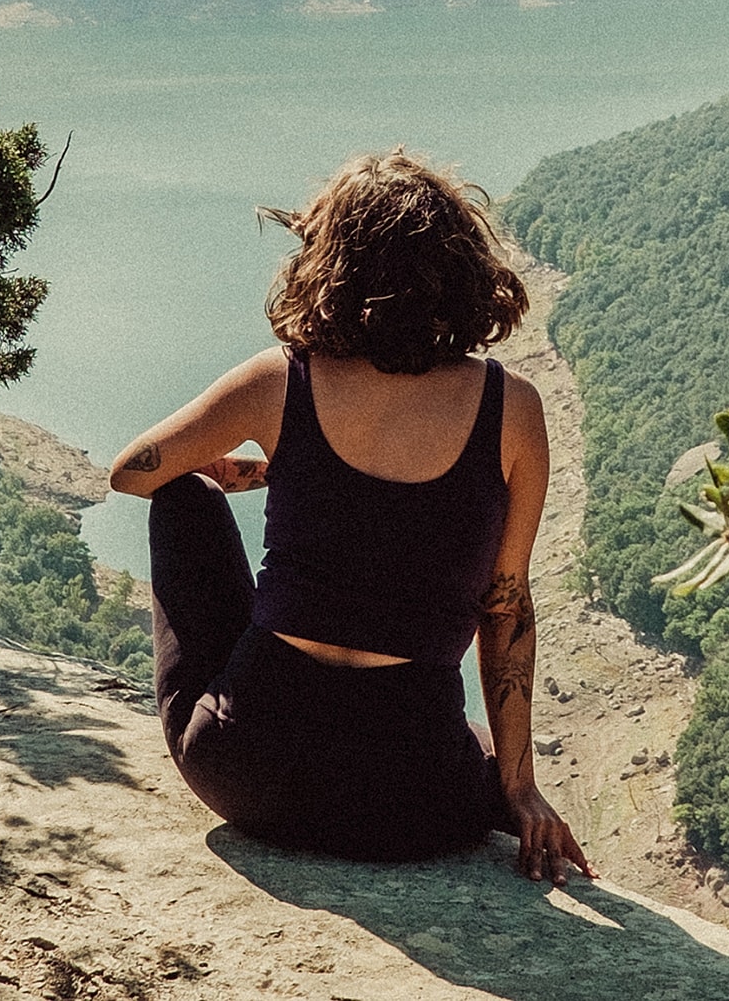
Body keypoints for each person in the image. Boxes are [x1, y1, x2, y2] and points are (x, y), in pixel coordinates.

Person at [107, 149, 595, 883]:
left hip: (249, 778)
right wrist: (517, 789)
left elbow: (133, 472)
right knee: (438, 732)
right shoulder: (513, 409)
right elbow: (506, 612)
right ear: (460, 269)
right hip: (419, 809)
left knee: (184, 497)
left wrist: (238, 470)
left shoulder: (282, 377)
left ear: (331, 264)